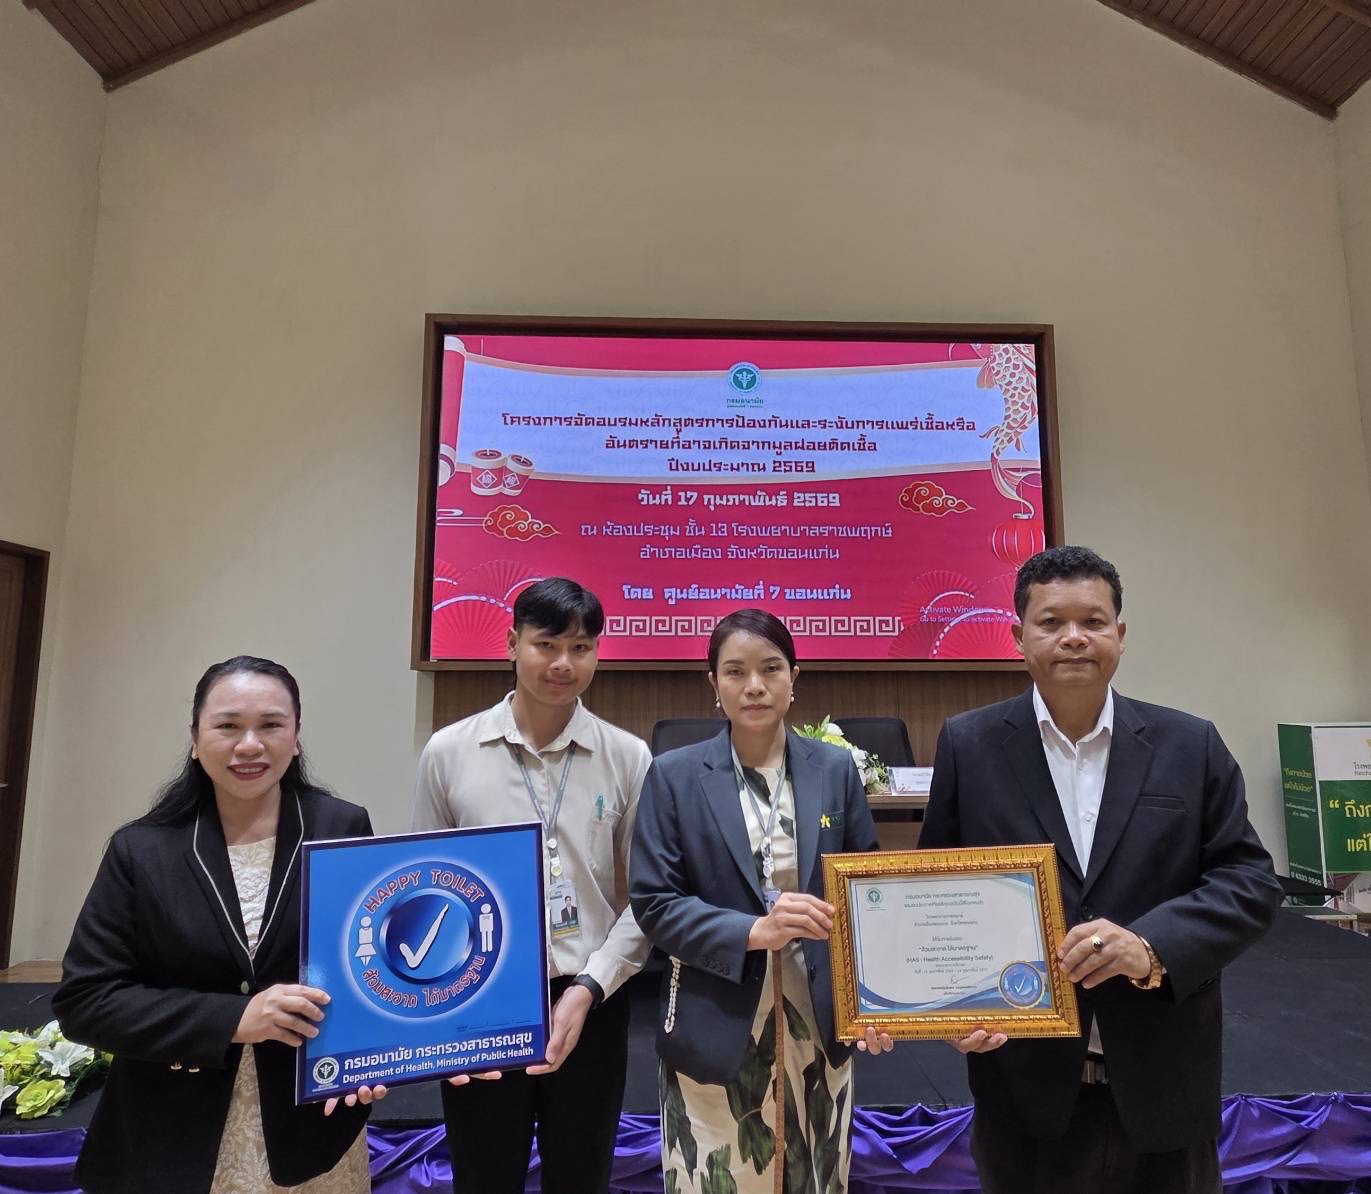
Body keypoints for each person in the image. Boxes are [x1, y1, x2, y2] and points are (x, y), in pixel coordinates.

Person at [920, 547, 1282, 1194]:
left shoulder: (1190, 744)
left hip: (1164, 1082)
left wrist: (1151, 947)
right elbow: (937, 888)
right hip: (1023, 1091)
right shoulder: (969, 745)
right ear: (1018, 637)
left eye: (1092, 621)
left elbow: (1249, 880)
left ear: (1120, 633)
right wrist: (948, 1005)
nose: (1073, 637)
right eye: (1051, 622)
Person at [54, 656, 391, 1194]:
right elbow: (86, 1000)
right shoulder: (142, 850)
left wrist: (372, 1057)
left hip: (311, 1130)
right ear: (195, 738)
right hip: (170, 1128)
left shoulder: (342, 825)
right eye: (228, 726)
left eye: (271, 725)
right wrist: (236, 1018)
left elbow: (368, 965)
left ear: (296, 737)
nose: (250, 745)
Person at [630, 609, 892, 1193]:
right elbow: (655, 902)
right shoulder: (673, 776)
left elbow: (866, 895)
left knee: (814, 1177)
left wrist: (874, 1003)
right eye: (736, 671)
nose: (754, 686)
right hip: (714, 1017)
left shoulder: (834, 769)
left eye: (771, 669)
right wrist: (754, 930)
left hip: (817, 1015)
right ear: (714, 683)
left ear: (794, 677)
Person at [411, 577, 653, 1194]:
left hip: (591, 999)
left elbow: (646, 897)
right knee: (484, 1175)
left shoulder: (628, 757)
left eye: (581, 647)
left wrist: (591, 987)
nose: (563, 663)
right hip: (478, 1001)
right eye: (546, 644)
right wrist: (438, 1017)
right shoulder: (449, 752)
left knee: (581, 1175)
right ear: (511, 643)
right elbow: (424, 889)